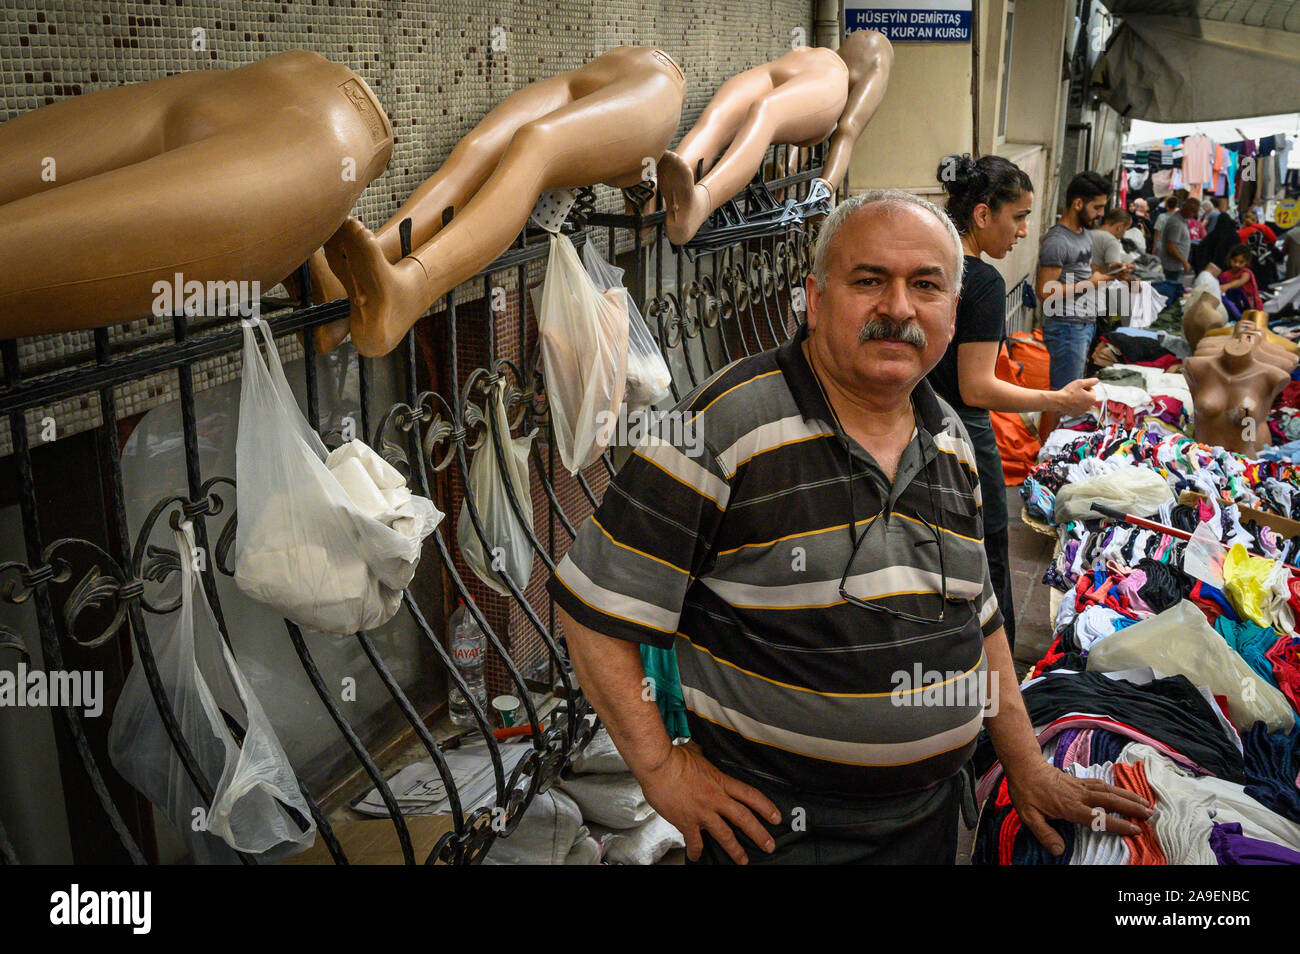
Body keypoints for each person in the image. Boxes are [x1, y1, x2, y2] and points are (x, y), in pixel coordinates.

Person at [548, 190, 1152, 865]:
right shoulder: (724, 424)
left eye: (925, 285)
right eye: (869, 281)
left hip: (926, 824)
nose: (898, 308)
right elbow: (594, 607)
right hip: (775, 834)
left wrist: (1026, 765)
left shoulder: (949, 438)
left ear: (953, 310)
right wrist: (662, 771)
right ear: (814, 296)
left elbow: (979, 624)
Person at [930, 155, 1097, 654]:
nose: (1024, 231)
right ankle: (994, 690)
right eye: (1018, 216)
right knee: (988, 558)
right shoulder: (980, 282)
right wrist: (1058, 397)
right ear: (983, 216)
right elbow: (977, 388)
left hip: (919, 426)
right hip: (963, 435)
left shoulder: (929, 263)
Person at [1035, 171, 1127, 436]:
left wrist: (1112, 272)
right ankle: (1044, 457)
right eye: (1096, 206)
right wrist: (1093, 283)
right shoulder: (1057, 240)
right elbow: (1045, 290)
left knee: (1068, 394)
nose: (1100, 213)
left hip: (1082, 325)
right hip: (1066, 326)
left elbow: (1087, 271)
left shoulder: (1084, 234)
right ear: (1078, 203)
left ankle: (1052, 449)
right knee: (1062, 396)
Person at [1157, 198, 1198, 282]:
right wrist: (1184, 262)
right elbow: (1171, 248)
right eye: (1193, 211)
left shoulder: (1183, 221)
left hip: (1175, 266)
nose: (1195, 214)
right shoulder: (1176, 223)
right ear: (1185, 208)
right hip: (1171, 267)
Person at [1220, 243, 1265, 312]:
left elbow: (1241, 281)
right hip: (1235, 308)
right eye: (1234, 261)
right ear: (1230, 259)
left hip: (1252, 308)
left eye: (1241, 262)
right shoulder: (1225, 275)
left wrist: (1227, 286)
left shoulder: (1246, 273)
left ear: (1246, 262)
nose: (1237, 264)